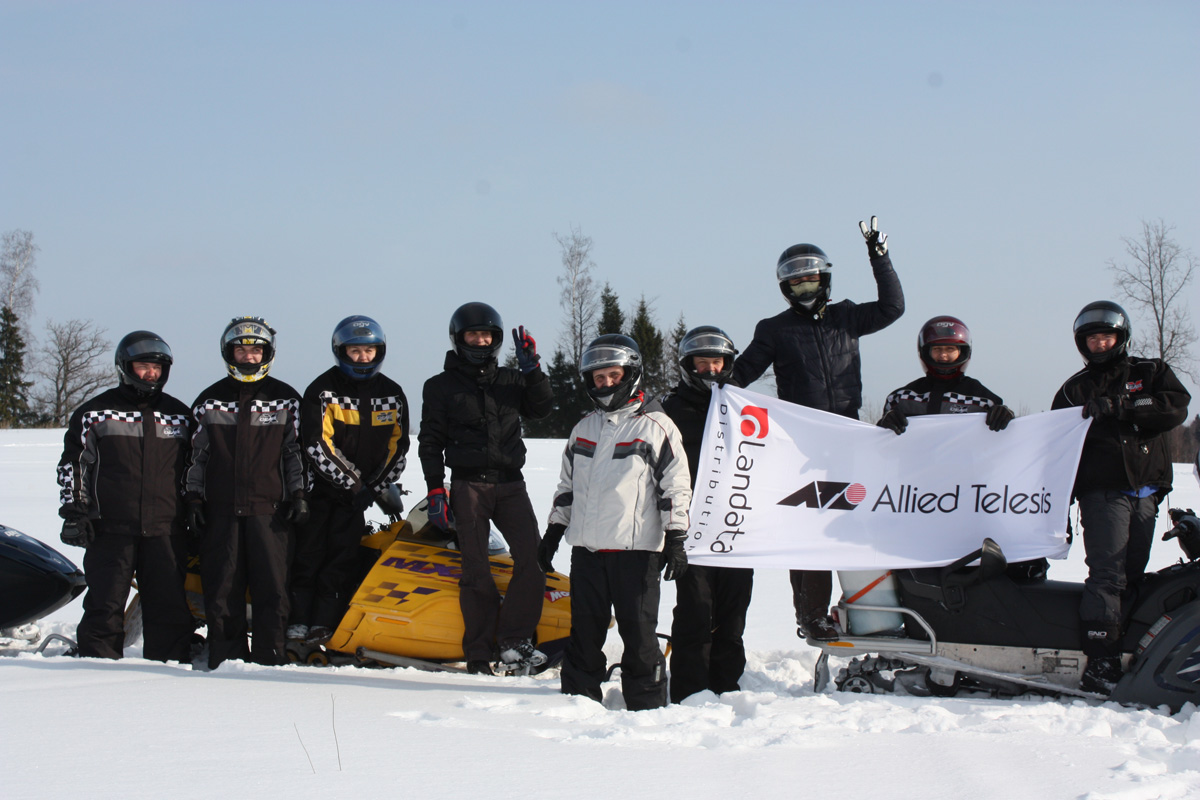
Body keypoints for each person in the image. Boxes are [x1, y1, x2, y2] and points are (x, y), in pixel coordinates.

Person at [732, 216, 904, 640]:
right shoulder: (774, 329)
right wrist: (708, 386)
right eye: (796, 284)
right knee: (810, 530)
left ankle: (873, 609)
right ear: (785, 289)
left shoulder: (847, 317)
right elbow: (741, 375)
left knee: (859, 525)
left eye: (810, 281)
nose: (804, 289)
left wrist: (879, 258)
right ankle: (810, 615)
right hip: (803, 447)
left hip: (849, 439)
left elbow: (892, 308)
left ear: (824, 279)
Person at [538, 334, 692, 710]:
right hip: (587, 552)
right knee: (584, 632)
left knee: (638, 634)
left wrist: (675, 537)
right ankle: (578, 700)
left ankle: (646, 704)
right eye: (599, 378)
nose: (606, 383)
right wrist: (554, 531)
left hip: (635, 553)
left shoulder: (656, 427)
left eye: (613, 375)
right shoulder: (583, 429)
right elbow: (567, 487)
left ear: (631, 374)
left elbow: (675, 487)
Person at [1052, 301, 1189, 694]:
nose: (1099, 344)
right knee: (1108, 574)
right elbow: (1054, 444)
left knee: (1134, 573)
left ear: (1120, 337)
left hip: (1146, 490)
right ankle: (1101, 660)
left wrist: (1122, 407)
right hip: (1102, 491)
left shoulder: (1150, 372)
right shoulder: (1075, 389)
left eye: (1106, 337)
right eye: (1092, 339)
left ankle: (1130, 646)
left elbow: (1174, 407)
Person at [417, 302, 553, 675]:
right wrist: (435, 488)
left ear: (496, 339)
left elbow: (541, 409)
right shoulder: (440, 386)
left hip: (511, 484)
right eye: (473, 335)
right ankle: (478, 652)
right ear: (458, 338)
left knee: (533, 560)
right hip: (468, 486)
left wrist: (533, 372)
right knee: (476, 570)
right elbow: (430, 441)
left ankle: (513, 642)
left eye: (487, 335)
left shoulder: (511, 380)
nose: (481, 341)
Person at [56, 331, 194, 661]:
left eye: (157, 368)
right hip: (110, 528)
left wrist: (195, 508)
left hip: (166, 529)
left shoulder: (179, 415)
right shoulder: (95, 413)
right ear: (124, 367)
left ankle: (171, 670)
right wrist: (74, 512)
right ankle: (98, 666)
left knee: (169, 606)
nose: (151, 374)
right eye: (143, 366)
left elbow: (195, 468)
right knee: (105, 604)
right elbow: (74, 466)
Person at [185, 316, 308, 669]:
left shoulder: (285, 399)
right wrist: (193, 498)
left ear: (267, 354)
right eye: (241, 350)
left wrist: (299, 495)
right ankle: (226, 659)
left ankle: (270, 658)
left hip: (270, 512)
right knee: (223, 589)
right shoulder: (209, 400)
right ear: (229, 353)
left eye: (256, 351)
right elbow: (195, 457)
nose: (248, 357)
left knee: (273, 589)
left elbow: (296, 453)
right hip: (220, 511)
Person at [289, 315, 410, 647]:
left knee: (342, 560)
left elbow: (399, 447)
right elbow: (316, 443)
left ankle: (324, 623)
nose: (362, 357)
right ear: (341, 351)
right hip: (320, 491)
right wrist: (354, 483)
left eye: (369, 351)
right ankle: (298, 619)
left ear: (379, 352)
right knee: (308, 556)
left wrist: (374, 487)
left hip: (360, 498)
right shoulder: (322, 390)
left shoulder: (393, 393)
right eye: (355, 351)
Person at [662, 326, 755, 703]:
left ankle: (727, 687)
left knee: (733, 613)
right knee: (695, 611)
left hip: (736, 525)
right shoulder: (669, 409)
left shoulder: (746, 406)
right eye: (703, 363)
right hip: (692, 529)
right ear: (688, 365)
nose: (711, 369)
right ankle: (690, 691)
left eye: (717, 362)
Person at [877, 315, 1014, 433]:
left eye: (950, 349)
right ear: (925, 352)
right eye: (937, 349)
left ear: (962, 352)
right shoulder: (900, 398)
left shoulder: (983, 400)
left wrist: (1008, 418)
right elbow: (878, 444)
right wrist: (883, 425)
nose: (943, 355)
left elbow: (1007, 439)